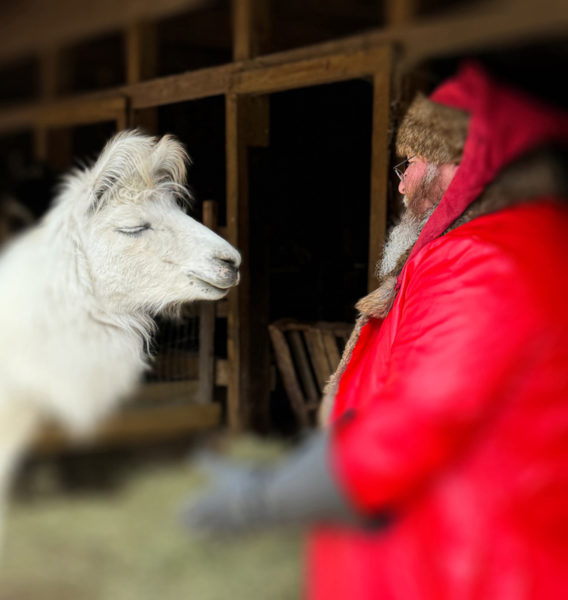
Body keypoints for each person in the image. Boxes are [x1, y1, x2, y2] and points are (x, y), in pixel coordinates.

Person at [182, 62, 568, 599]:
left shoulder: (482, 255)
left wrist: (266, 497)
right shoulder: (518, 240)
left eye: (409, 164)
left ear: (461, 159)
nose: (404, 183)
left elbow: (423, 416)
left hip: (460, 559)